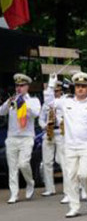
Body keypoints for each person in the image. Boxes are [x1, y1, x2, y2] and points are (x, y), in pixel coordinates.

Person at [47, 72, 87, 218]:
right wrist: (50, 85)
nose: (80, 89)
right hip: (70, 146)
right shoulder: (66, 102)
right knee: (70, 177)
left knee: (84, 174)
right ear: (74, 88)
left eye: (83, 86)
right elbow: (50, 102)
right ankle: (74, 206)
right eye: (78, 86)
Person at [0, 73, 41, 204]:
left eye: (22, 86)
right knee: (12, 168)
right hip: (12, 137)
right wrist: (8, 103)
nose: (19, 88)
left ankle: (30, 182)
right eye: (17, 85)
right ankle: (14, 193)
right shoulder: (12, 100)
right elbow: (1, 112)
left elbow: (36, 113)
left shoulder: (33, 101)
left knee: (23, 164)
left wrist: (23, 104)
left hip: (26, 137)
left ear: (27, 87)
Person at [39, 79, 68, 201]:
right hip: (48, 132)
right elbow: (41, 119)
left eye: (57, 91)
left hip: (60, 133)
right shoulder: (46, 104)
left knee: (62, 161)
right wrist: (44, 126)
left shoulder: (65, 101)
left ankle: (68, 189)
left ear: (61, 91)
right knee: (47, 162)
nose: (55, 93)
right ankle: (49, 188)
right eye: (53, 91)